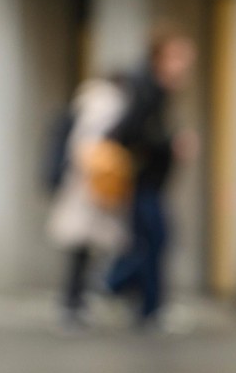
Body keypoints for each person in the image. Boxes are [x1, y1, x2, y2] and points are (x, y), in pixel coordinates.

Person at [104, 29, 197, 329]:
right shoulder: (147, 89)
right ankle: (116, 286)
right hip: (143, 181)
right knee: (153, 241)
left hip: (151, 182)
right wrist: (171, 144)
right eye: (178, 58)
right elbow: (125, 132)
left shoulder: (158, 91)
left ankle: (147, 307)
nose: (184, 66)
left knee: (151, 242)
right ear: (161, 57)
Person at [47, 75, 131, 329]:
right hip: (92, 191)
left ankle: (77, 302)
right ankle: (87, 298)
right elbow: (91, 152)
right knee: (91, 248)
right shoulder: (106, 107)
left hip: (85, 191)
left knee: (84, 250)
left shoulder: (86, 104)